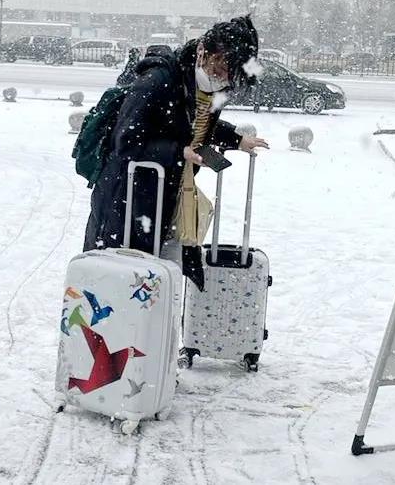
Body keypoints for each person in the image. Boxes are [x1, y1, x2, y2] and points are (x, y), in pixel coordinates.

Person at [83, 16, 268, 287]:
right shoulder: (158, 80)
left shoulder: (202, 88)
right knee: (116, 277)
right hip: (126, 195)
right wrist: (177, 151)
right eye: (220, 68)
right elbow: (126, 140)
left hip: (163, 192)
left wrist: (235, 139)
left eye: (232, 75)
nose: (224, 78)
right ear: (203, 50)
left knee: (149, 279)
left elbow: (190, 125)